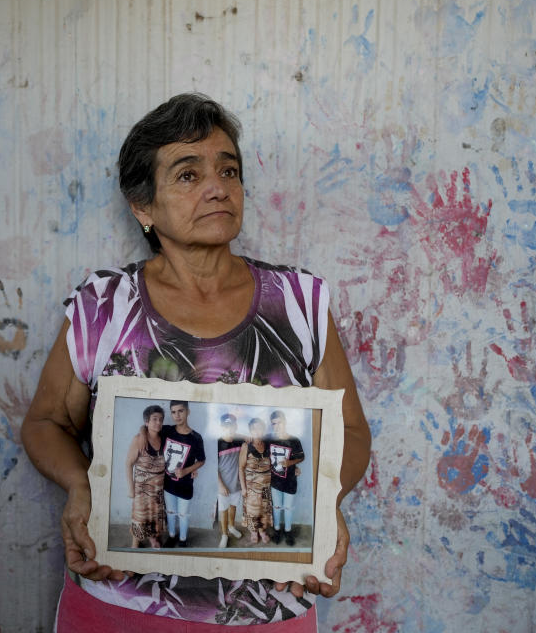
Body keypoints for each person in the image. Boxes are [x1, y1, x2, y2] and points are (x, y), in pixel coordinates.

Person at [22, 93, 370, 631]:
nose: (217, 187)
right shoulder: (104, 306)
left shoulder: (299, 301)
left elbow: (350, 431)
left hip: (269, 605)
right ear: (143, 207)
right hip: (121, 604)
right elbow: (46, 422)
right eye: (187, 175)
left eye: (228, 170)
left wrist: (325, 506)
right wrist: (80, 485)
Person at [158, 400, 205, 547]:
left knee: (183, 514)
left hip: (185, 485)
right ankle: (171, 536)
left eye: (181, 411)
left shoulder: (195, 437)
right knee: (170, 512)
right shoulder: (166, 430)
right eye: (173, 412)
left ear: (188, 411)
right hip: (167, 482)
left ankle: (183, 539)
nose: (177, 415)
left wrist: (187, 470)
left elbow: (202, 460)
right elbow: (148, 428)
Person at [125, 404, 167, 548]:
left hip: (157, 491)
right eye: (154, 419)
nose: (158, 422)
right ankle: (134, 548)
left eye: (161, 419)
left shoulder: (164, 438)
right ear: (146, 421)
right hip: (142, 491)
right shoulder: (139, 439)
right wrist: (131, 490)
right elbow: (128, 464)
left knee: (155, 518)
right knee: (140, 519)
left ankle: (153, 539)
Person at [268, 410, 305, 545]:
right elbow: (260, 448)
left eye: (279, 423)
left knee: (288, 507)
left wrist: (291, 463)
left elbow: (301, 457)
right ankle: (277, 530)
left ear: (285, 422)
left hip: (289, 480)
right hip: (275, 480)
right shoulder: (269, 439)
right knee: (276, 507)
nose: (277, 426)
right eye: (274, 424)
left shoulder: (294, 440)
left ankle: (288, 531)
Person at [239, 417, 273, 544]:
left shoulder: (267, 444)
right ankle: (254, 532)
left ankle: (262, 531)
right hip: (251, 488)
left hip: (266, 486)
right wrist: (243, 488)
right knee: (252, 511)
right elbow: (241, 468)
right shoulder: (246, 446)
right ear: (250, 430)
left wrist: (294, 468)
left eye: (260, 428)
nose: (257, 431)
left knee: (264, 510)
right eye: (254, 428)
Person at [215, 413, 245, 548]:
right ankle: (224, 534)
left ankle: (232, 527)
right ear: (222, 427)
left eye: (233, 426)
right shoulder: (217, 443)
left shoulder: (239, 441)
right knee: (223, 510)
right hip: (223, 486)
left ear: (236, 426)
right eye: (227, 426)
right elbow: (213, 468)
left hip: (236, 484)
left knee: (233, 507)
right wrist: (221, 485)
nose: (230, 429)